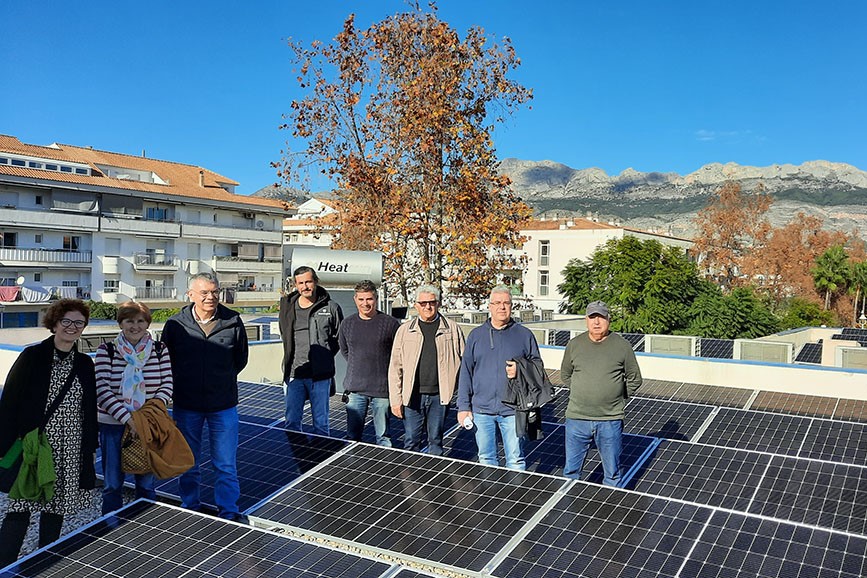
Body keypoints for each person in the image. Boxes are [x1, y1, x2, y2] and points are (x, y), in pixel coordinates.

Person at [0, 299, 98, 565]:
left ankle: (46, 563)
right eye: (66, 321)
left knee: (55, 509)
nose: (72, 327)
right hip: (34, 447)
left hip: (70, 447)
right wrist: (6, 445)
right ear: (54, 323)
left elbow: (88, 411)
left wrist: (89, 450)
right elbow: (9, 402)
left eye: (79, 323)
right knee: (20, 506)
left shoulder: (85, 364)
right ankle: (4, 564)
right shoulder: (32, 356)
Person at [162, 273, 248, 521]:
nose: (211, 297)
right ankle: (190, 505)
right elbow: (167, 360)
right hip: (187, 405)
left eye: (214, 292)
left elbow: (240, 359)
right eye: (204, 293)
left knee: (225, 464)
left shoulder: (233, 321)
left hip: (223, 404)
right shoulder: (175, 325)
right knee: (188, 461)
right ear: (191, 295)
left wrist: (220, 381)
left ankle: (229, 510)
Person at [94, 301, 173, 514]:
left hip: (148, 424)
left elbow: (167, 384)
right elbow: (101, 389)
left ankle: (145, 526)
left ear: (147, 323)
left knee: (146, 483)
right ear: (121, 323)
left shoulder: (159, 349)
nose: (135, 326)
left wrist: (146, 417)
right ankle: (109, 528)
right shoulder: (107, 351)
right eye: (129, 321)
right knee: (112, 484)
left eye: (140, 321)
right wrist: (128, 419)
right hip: (113, 425)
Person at [457, 286, 541, 470]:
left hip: (513, 411)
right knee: (486, 459)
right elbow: (465, 373)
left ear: (512, 306)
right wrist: (463, 407)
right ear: (490, 306)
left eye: (506, 303)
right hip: (482, 410)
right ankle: (490, 498)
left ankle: (515, 499)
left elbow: (538, 369)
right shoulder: (476, 336)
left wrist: (520, 369)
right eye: (497, 303)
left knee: (515, 460)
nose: (502, 307)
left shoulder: (524, 335)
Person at [561, 300, 642, 486]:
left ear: (608, 320)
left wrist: (616, 396)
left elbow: (635, 378)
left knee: (612, 474)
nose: (596, 322)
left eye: (601, 317)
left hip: (610, 420)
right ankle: (567, 512)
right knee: (571, 472)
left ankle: (610, 512)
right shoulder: (574, 345)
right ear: (586, 320)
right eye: (592, 317)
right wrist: (582, 389)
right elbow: (565, 374)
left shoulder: (622, 346)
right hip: (577, 418)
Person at [389, 285, 465, 455]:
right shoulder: (404, 331)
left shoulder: (452, 329)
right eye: (423, 303)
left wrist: (462, 397)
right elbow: (395, 367)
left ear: (438, 304)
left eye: (431, 302)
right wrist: (396, 399)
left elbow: (465, 364)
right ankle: (410, 479)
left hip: (440, 396)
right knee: (411, 440)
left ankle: (435, 479)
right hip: (412, 395)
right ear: (416, 305)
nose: (427, 307)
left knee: (436, 441)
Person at [279, 266, 342, 436]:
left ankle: (321, 461)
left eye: (308, 281)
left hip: (320, 376)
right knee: (291, 421)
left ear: (315, 282)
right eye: (300, 283)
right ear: (295, 284)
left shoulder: (331, 307)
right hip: (294, 374)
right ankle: (295, 460)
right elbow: (284, 333)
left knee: (321, 424)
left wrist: (325, 355)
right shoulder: (287, 306)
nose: (305, 286)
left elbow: (339, 338)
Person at [338, 280, 400, 445]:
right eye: (361, 299)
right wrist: (358, 365)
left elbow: (398, 355)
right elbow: (345, 351)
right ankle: (352, 470)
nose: (365, 303)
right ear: (355, 299)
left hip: (382, 391)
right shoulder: (347, 324)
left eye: (369, 299)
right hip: (355, 390)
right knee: (352, 437)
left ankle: (385, 468)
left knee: (384, 438)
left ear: (376, 298)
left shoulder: (390, 324)